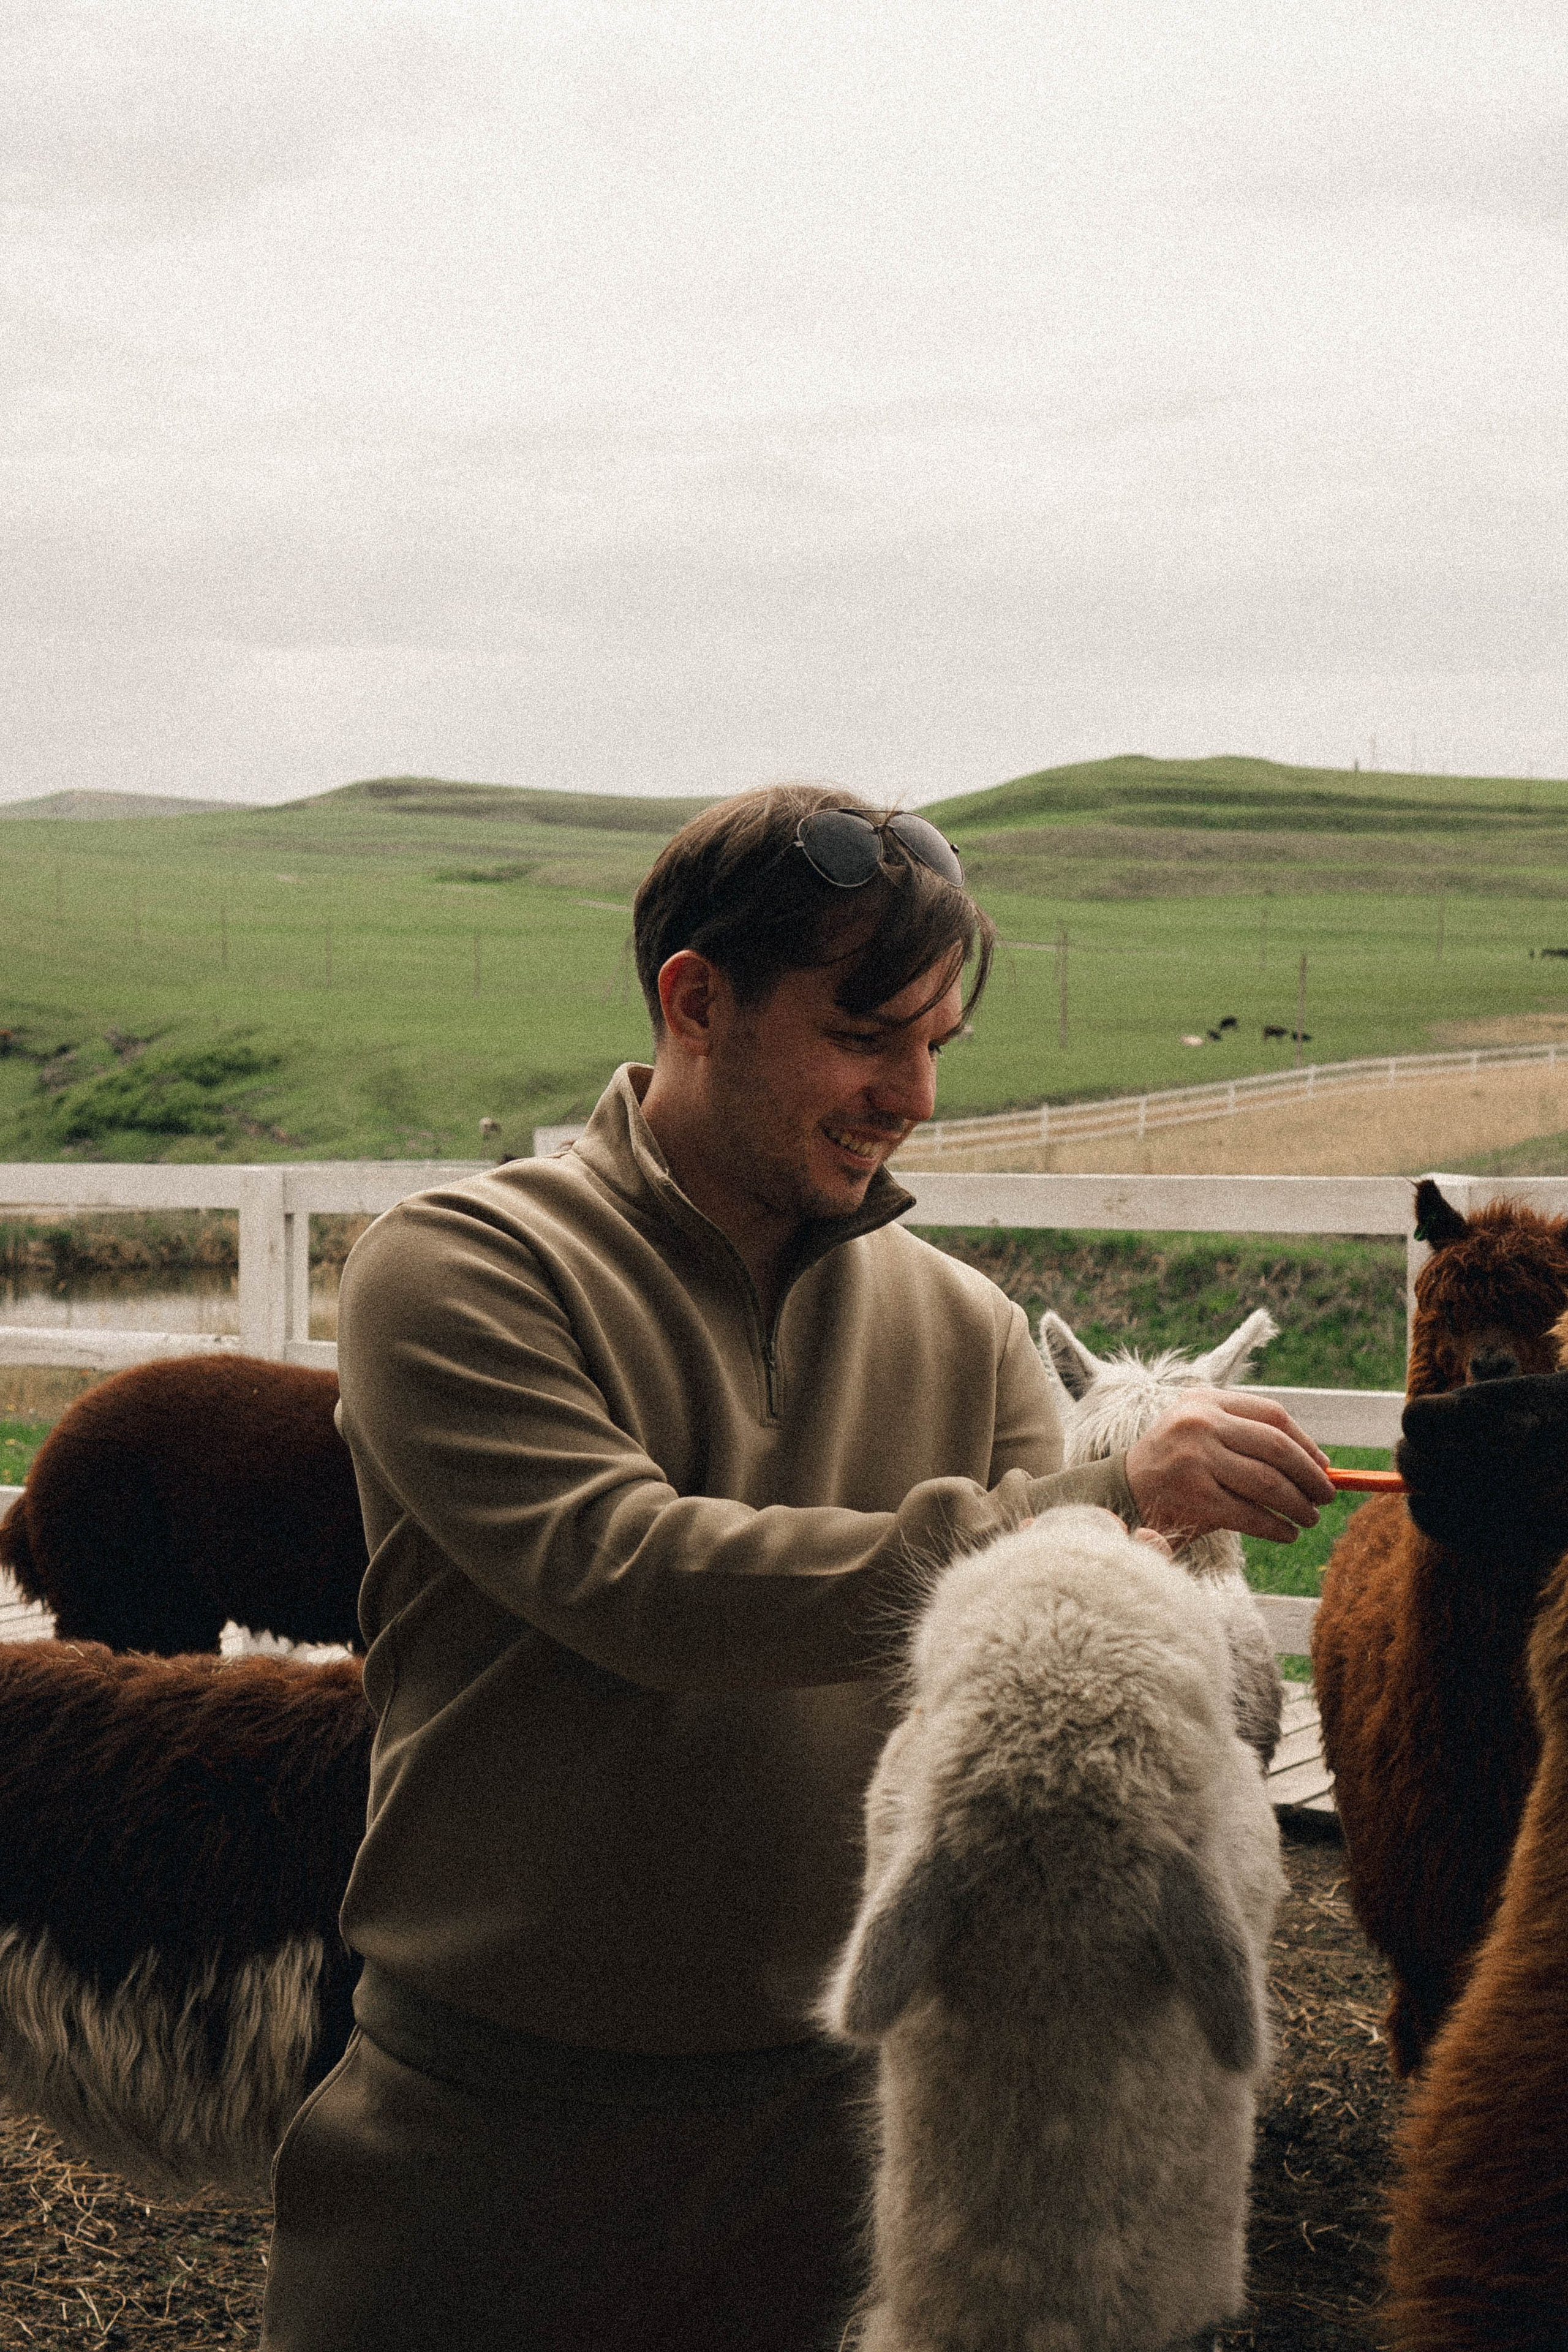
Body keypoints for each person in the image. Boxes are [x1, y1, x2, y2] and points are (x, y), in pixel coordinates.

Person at [260, 783, 1333, 2352]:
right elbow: (635, 1577)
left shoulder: (962, 1327)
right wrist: (1095, 1492)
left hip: (842, 2138)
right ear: (696, 1001)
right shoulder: (458, 1266)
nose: (909, 1090)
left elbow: (1061, 1634)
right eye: (862, 1032)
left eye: (935, 1047)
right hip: (490, 2131)